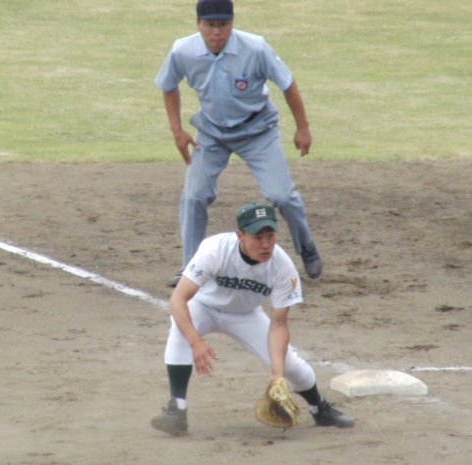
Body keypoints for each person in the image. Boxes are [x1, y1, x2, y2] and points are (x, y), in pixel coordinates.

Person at [155, 0, 322, 287]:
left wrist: (303, 128)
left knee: (282, 195)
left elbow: (287, 83)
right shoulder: (183, 50)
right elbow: (168, 84)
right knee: (194, 196)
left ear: (232, 24)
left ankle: (305, 245)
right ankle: (191, 267)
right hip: (212, 132)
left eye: (223, 25)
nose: (217, 32)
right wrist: (177, 130)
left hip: (258, 130)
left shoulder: (255, 48)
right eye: (210, 25)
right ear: (198, 25)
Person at [150, 202, 354, 436]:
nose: (266, 244)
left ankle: (320, 408)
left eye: (270, 236)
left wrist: (277, 375)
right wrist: (196, 342)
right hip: (204, 307)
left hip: (246, 315)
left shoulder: (282, 267)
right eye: (257, 237)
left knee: (290, 365)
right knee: (180, 328)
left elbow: (278, 324)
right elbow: (178, 299)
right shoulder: (215, 249)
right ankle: (177, 409)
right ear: (240, 235)